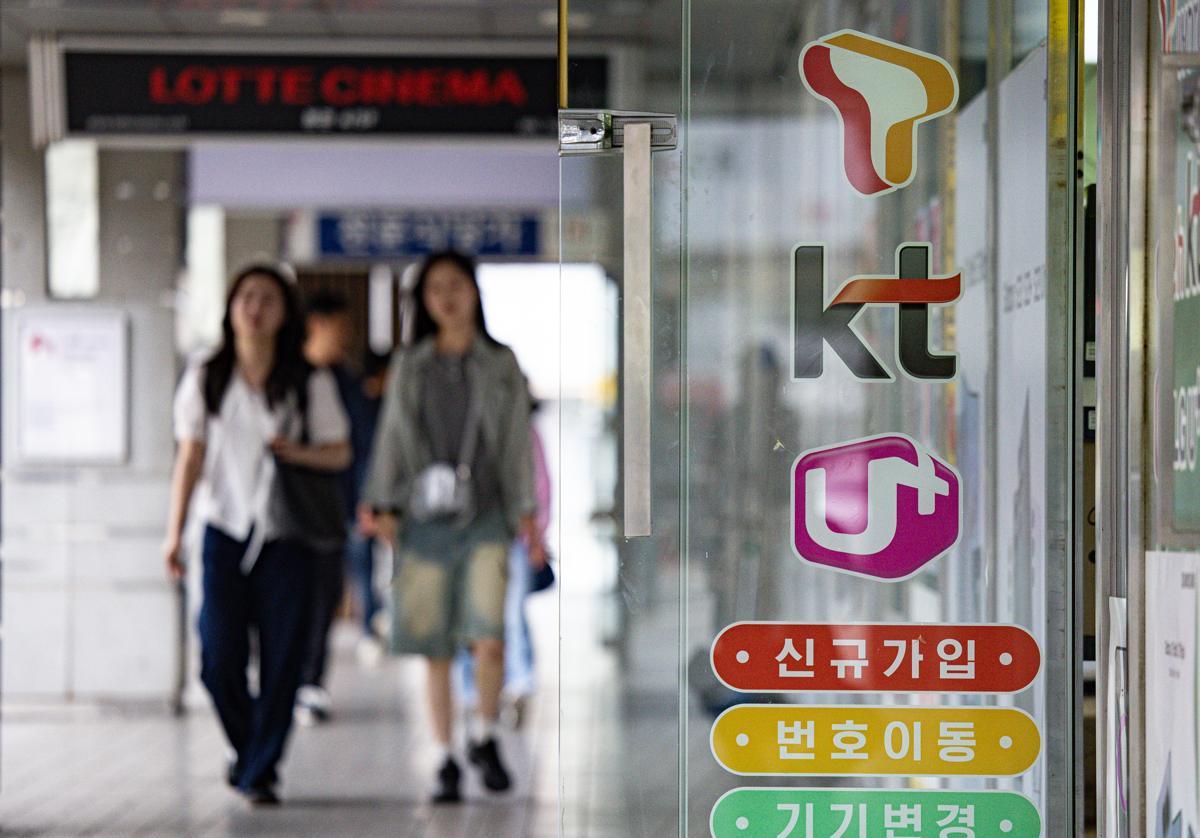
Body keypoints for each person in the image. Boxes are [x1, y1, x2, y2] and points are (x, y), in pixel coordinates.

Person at [362, 250, 546, 804]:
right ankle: (444, 757)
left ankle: (484, 734)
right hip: (423, 521)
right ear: (423, 301)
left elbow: (516, 443)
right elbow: (392, 436)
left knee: (489, 635)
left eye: (456, 285)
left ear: (474, 293)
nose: (446, 297)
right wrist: (381, 502)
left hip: (486, 515)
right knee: (435, 644)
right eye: (435, 288)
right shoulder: (411, 364)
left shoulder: (500, 363)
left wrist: (528, 514)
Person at [163, 264, 350, 805]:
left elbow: (340, 452)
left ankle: (261, 770)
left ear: (285, 313)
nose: (255, 308)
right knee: (217, 657)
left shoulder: (308, 380)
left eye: (268, 298)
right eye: (246, 297)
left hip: (287, 535)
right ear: (230, 308)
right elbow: (189, 458)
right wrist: (173, 534)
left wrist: (298, 453)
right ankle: (251, 751)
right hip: (222, 530)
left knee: (283, 657)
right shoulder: (207, 375)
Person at [294, 290, 369, 724]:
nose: (346, 336)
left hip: (334, 510)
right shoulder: (289, 377)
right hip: (286, 511)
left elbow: (363, 446)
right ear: (315, 325)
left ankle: (310, 683)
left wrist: (364, 500)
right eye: (340, 327)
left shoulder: (348, 381)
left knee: (323, 597)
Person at [455, 396, 551, 727]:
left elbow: (540, 488)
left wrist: (535, 536)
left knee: (511, 614)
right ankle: (472, 691)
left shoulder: (524, 433)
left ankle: (519, 685)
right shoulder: (466, 428)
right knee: (472, 618)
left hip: (513, 540)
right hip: (473, 538)